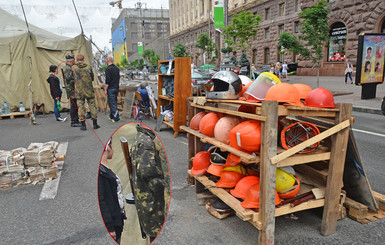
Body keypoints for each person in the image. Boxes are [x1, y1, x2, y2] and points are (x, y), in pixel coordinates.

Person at [130, 124, 167, 242]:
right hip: (151, 200)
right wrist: (164, 187)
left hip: (144, 196)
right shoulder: (146, 143)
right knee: (155, 234)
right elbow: (149, 175)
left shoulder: (140, 137)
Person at [98, 138, 127, 244]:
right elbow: (101, 200)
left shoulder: (104, 169)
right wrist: (109, 227)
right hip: (113, 222)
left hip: (117, 218)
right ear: (108, 148)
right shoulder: (101, 174)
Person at [73, 53, 100, 130]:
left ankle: (83, 125)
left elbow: (71, 78)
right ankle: (95, 124)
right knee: (92, 106)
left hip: (79, 91)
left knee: (80, 108)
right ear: (83, 59)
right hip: (89, 90)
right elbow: (92, 78)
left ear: (76, 60)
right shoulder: (88, 67)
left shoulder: (74, 68)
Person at [63, 54, 81, 127]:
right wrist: (76, 79)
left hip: (72, 89)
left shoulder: (69, 67)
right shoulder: (68, 68)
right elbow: (68, 78)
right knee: (73, 106)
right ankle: (74, 121)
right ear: (71, 60)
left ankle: (75, 120)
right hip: (72, 90)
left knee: (74, 105)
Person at [104, 56, 120, 123]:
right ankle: (112, 116)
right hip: (116, 87)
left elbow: (108, 80)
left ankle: (116, 117)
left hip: (111, 88)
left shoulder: (108, 69)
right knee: (113, 102)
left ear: (107, 61)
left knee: (112, 103)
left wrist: (105, 89)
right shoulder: (117, 68)